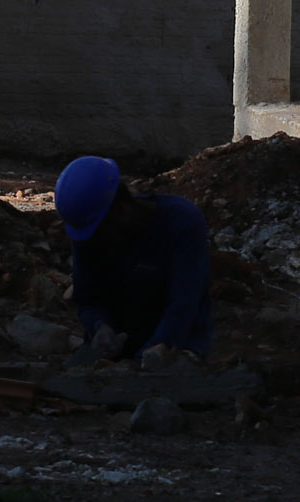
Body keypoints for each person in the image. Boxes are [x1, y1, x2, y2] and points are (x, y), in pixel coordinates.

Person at [54, 154, 211, 363]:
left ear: (121, 210)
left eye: (98, 235)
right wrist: (100, 326)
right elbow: (87, 297)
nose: (93, 244)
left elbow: (183, 306)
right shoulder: (91, 230)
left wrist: (149, 356)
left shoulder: (181, 223)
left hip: (178, 344)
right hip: (116, 351)